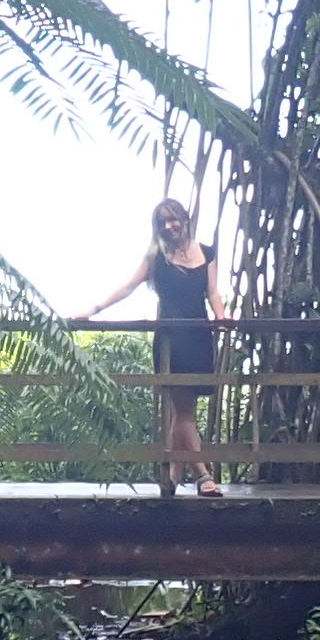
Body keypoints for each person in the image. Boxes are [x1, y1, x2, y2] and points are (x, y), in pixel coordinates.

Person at [82, 198, 224, 496]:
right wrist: (93, 309)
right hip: (172, 339)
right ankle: (203, 475)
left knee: (183, 410)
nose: (169, 226)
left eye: (173, 219)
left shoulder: (207, 253)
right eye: (162, 222)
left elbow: (212, 291)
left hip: (199, 334)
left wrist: (222, 319)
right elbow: (128, 286)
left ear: (185, 219)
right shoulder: (157, 256)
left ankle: (171, 475)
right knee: (185, 411)